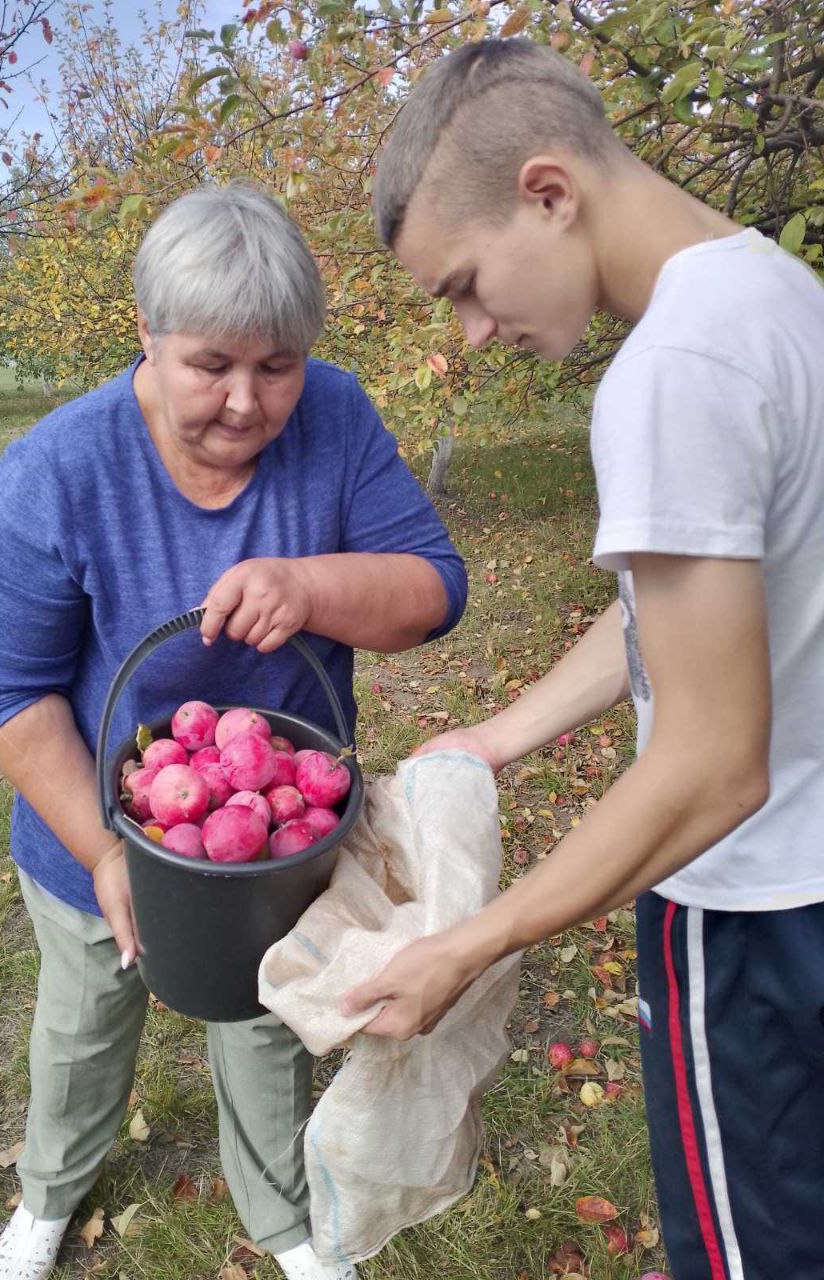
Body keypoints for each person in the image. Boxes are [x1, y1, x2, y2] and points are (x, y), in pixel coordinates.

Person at [340, 37, 824, 1280]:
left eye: (465, 282)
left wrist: (476, 939)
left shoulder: (668, 374)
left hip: (755, 912)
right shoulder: (776, 294)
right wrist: (496, 733)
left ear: (548, 192)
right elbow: (690, 609)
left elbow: (716, 767)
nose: (473, 328)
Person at [0, 183, 467, 1280]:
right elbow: (2, 688)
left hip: (277, 820)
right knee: (86, 1020)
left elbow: (432, 590)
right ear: (146, 333)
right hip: (101, 816)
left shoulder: (335, 416)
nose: (246, 399)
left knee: (269, 1017)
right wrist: (103, 848)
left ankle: (284, 1217)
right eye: (211, 364)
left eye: (275, 364)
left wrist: (310, 583)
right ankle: (48, 1194)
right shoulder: (58, 473)